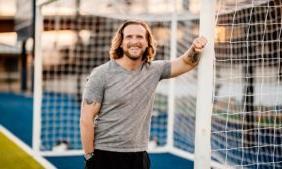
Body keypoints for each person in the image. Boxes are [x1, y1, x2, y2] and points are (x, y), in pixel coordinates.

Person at [80, 20, 207, 169]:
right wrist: (89, 156)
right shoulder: (102, 74)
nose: (135, 41)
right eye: (129, 37)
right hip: (105, 154)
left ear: (147, 42)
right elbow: (86, 118)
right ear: (120, 43)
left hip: (139, 156)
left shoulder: (154, 70)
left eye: (140, 37)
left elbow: (187, 62)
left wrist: (195, 48)